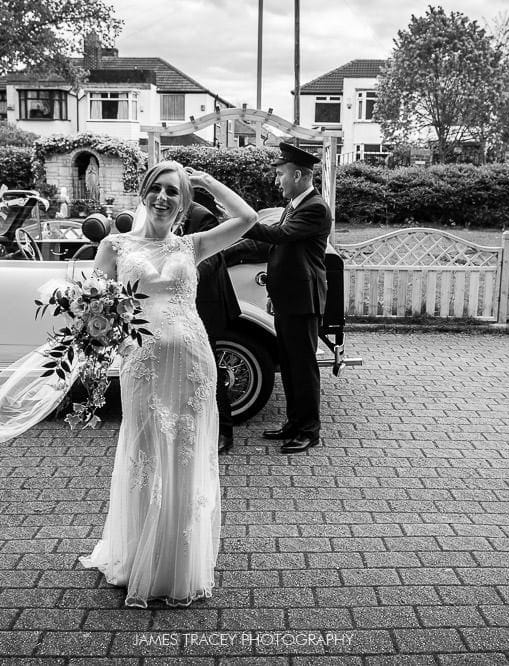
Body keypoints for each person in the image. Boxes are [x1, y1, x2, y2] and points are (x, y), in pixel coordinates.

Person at [79, 161, 258, 607]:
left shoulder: (193, 245)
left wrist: (207, 181)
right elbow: (92, 310)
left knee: (184, 457)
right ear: (142, 193)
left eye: (173, 192)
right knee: (145, 455)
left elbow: (248, 218)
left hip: (194, 365)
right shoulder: (114, 246)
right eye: (156, 189)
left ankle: (177, 563)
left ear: (184, 203)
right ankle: (141, 557)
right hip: (142, 365)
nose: (163, 197)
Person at [243, 143, 332, 454]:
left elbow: (278, 237)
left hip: (303, 301)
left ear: (297, 174)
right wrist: (273, 293)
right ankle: (294, 423)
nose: (277, 180)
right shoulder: (294, 205)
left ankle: (309, 431)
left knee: (303, 367)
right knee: (291, 367)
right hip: (287, 298)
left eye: (280, 174)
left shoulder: (315, 208)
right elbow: (281, 253)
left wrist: (241, 222)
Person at [175, 188, 240, 454]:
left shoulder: (202, 216)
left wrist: (187, 275)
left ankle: (225, 432)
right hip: (176, 307)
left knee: (207, 368)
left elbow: (213, 255)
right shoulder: (164, 218)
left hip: (205, 306)